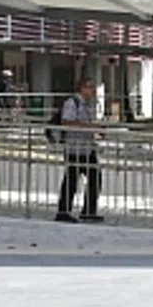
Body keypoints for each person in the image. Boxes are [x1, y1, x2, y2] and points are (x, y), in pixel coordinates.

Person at [56, 78, 103, 223]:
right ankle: (63, 211)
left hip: (86, 148)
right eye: (89, 87)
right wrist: (88, 127)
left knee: (95, 176)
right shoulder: (72, 103)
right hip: (74, 148)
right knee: (71, 179)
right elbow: (67, 121)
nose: (92, 91)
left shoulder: (86, 105)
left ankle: (89, 210)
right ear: (81, 88)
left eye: (92, 87)